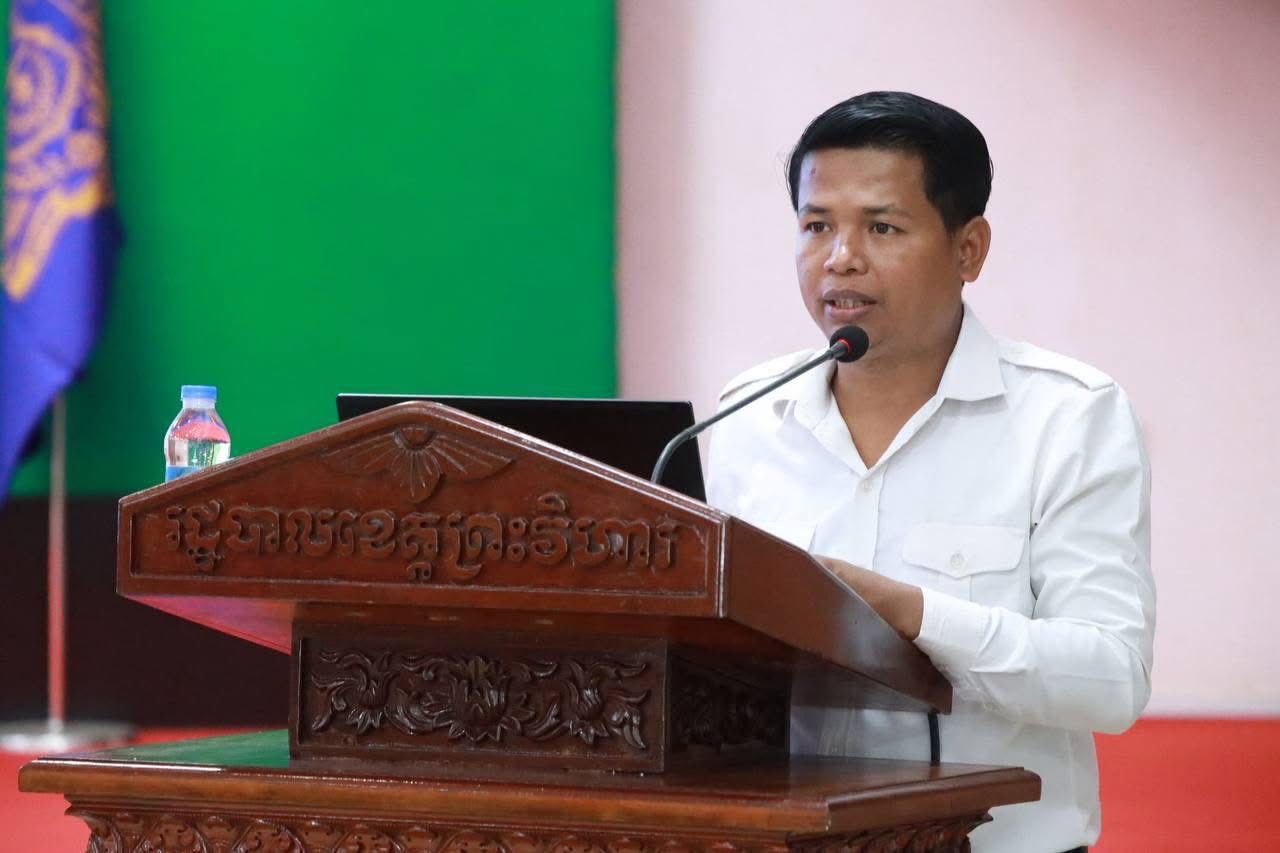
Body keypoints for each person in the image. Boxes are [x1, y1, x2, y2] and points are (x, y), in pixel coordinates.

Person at [705, 91, 1155, 853]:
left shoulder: (1068, 416)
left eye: (881, 227)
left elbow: (1111, 680)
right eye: (817, 226)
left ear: (968, 249)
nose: (840, 257)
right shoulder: (746, 415)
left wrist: (913, 614)